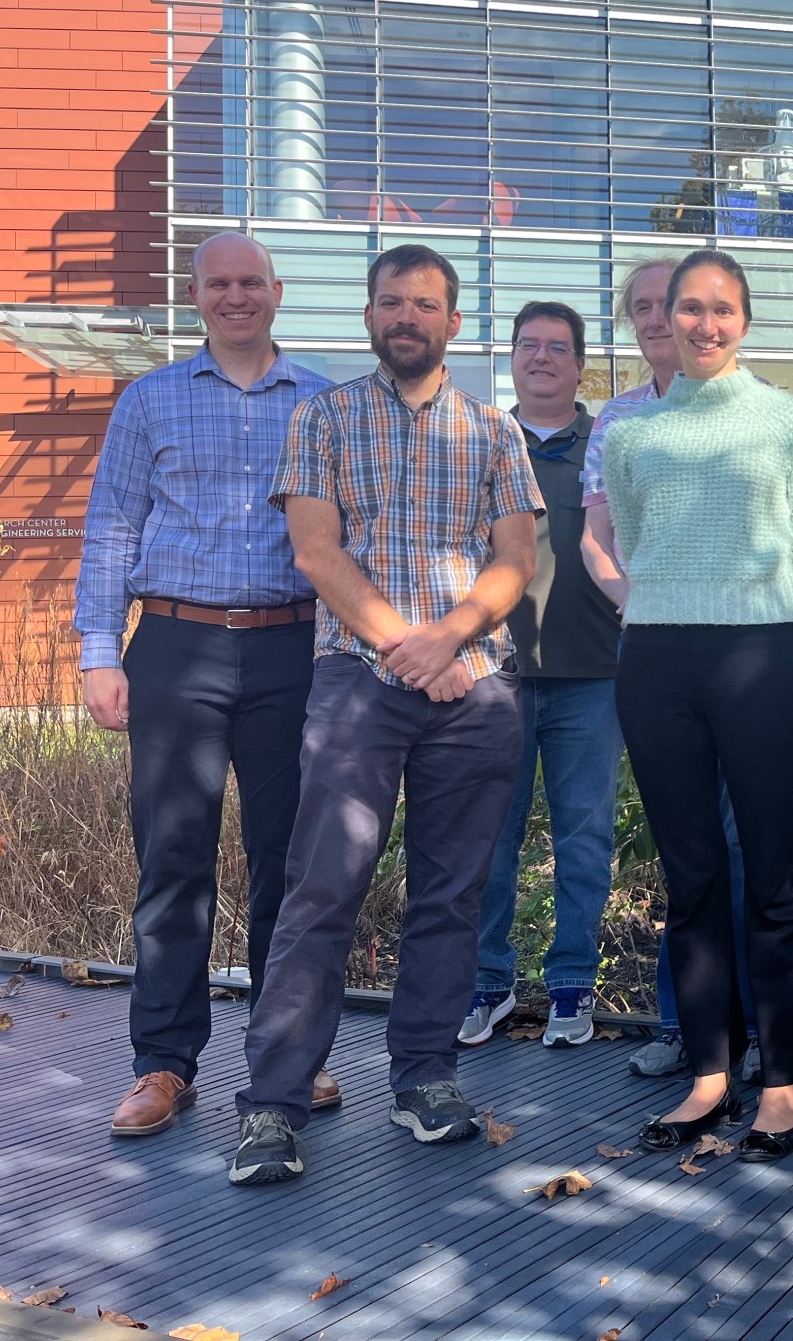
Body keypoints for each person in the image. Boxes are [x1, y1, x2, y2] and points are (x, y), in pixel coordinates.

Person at [229, 244, 540, 1186]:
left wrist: (445, 640)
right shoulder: (321, 418)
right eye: (391, 303)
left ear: (452, 321)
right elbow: (319, 554)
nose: (407, 317)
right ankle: (274, 1107)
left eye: (426, 304)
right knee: (321, 892)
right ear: (370, 316)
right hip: (357, 683)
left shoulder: (493, 430)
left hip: (474, 689)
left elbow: (515, 559)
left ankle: (425, 1078)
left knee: (450, 897)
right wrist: (409, 648)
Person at [74, 232, 336, 1137]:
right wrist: (98, 653)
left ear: (277, 291)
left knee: (289, 862)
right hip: (176, 649)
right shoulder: (149, 401)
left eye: (251, 283)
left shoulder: (324, 402)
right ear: (197, 296)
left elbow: (349, 539)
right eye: (219, 284)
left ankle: (287, 1056)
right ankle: (162, 1065)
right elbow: (111, 526)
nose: (236, 297)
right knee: (174, 860)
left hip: (290, 652)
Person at [605, 249, 793, 1163]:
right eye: (685, 308)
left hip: (759, 651)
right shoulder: (632, 437)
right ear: (660, 315)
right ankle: (710, 1072)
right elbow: (636, 536)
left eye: (721, 309)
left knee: (777, 875)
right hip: (656, 658)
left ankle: (783, 1079)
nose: (703, 324)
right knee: (691, 873)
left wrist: (766, 617)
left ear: (745, 319)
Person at [580, 259, 762, 1084]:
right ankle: (684, 1023)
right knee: (685, 843)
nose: (666, 319)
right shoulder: (617, 420)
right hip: (653, 645)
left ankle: (757, 1025)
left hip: (743, 649)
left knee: (748, 840)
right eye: (648, 306)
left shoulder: (756, 411)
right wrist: (639, 597)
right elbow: (595, 537)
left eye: (680, 304)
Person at [459, 300, 625, 1050]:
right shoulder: (481, 441)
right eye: (529, 345)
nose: (542, 358)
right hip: (496, 676)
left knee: (584, 838)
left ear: (578, 364)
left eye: (558, 347)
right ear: (513, 358)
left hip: (594, 676)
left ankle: (570, 987)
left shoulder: (609, 445)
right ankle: (487, 985)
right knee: (489, 839)